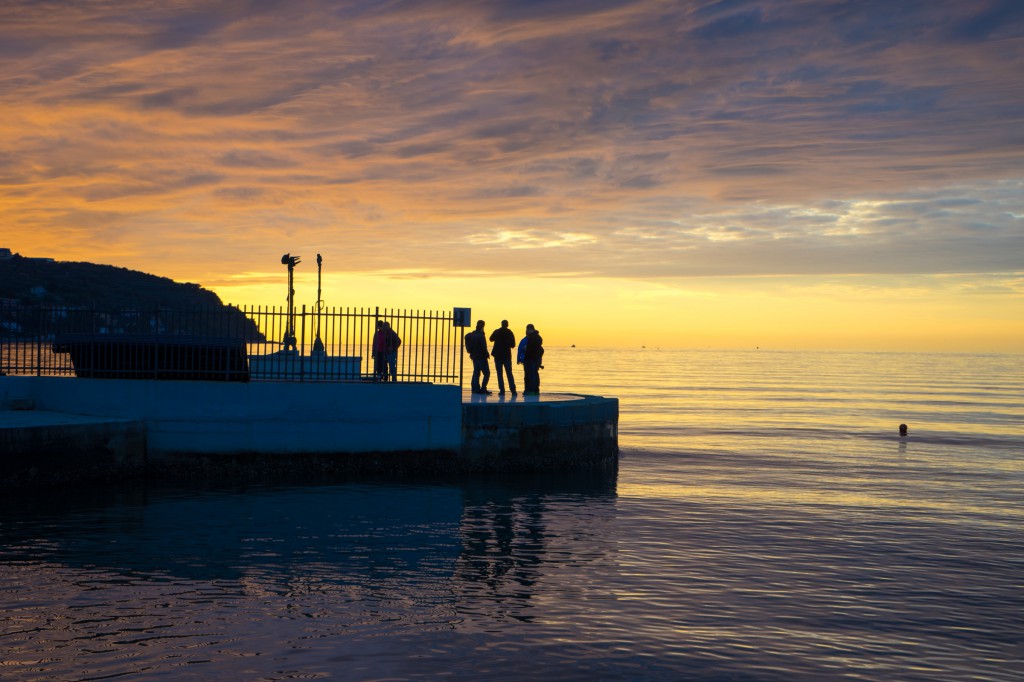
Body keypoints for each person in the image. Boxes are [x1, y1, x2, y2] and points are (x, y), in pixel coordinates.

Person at [489, 319, 517, 395]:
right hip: (507, 355)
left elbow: (491, 339)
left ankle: (502, 390)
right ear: (507, 325)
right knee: (509, 373)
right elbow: (513, 345)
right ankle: (513, 390)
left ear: (501, 324)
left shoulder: (497, 331)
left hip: (497, 355)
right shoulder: (510, 332)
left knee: (499, 373)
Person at [465, 319, 491, 394]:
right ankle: (483, 388)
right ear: (482, 326)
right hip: (481, 357)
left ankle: (475, 389)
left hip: (474, 357)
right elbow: (484, 347)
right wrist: (487, 354)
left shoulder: (471, 335)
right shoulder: (481, 336)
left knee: (476, 373)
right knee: (487, 373)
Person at [520, 323, 543, 395]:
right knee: (535, 375)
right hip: (536, 359)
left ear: (529, 329)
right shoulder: (539, 337)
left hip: (530, 359)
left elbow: (530, 350)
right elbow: (541, 350)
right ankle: (536, 390)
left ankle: (530, 390)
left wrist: (525, 349)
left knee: (529, 375)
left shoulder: (531, 338)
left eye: (526, 329)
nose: (526, 331)